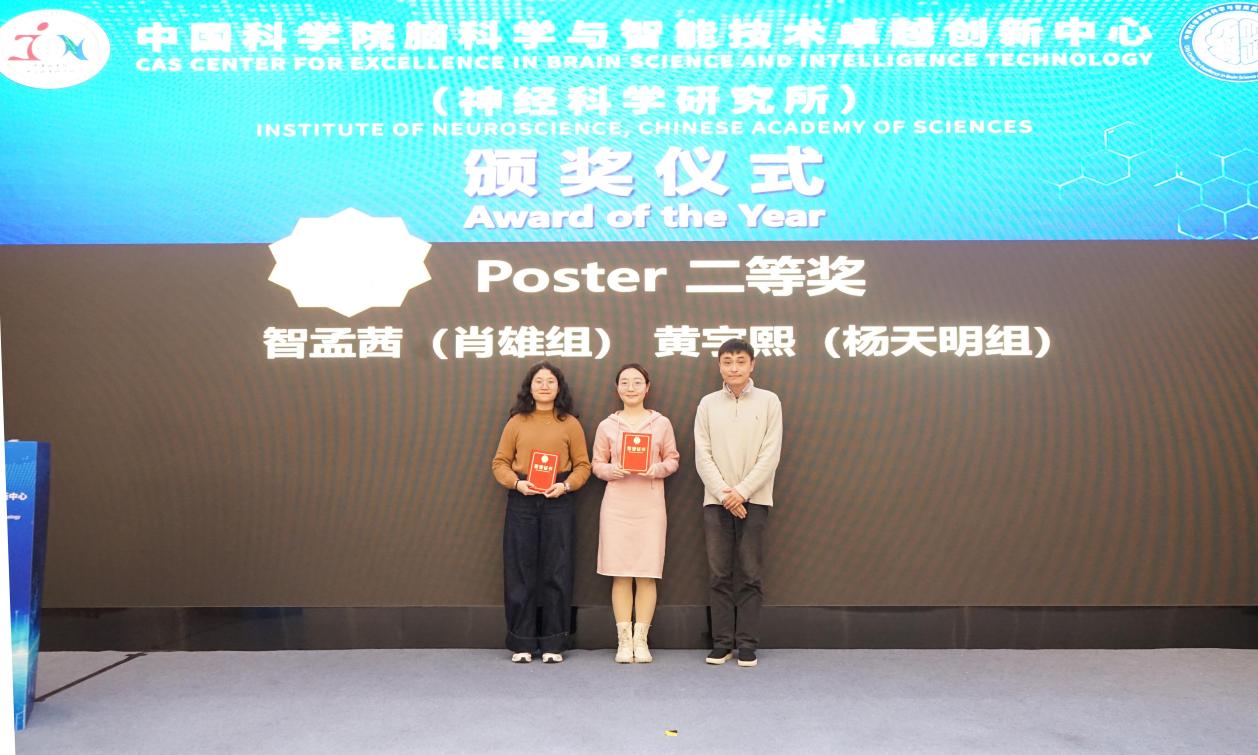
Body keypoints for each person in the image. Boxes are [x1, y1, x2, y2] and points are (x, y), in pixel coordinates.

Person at [491, 361, 591, 664]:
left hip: (558, 499)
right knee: (520, 570)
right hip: (523, 498)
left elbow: (583, 466)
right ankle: (521, 642)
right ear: (529, 387)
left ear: (559, 388)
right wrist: (517, 483)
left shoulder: (569, 423)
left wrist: (566, 486)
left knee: (557, 570)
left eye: (550, 381)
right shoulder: (516, 422)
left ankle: (553, 642)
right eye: (539, 381)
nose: (545, 386)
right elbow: (500, 463)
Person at [694, 339, 782, 668]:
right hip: (716, 502)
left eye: (740, 361)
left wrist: (741, 492)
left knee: (750, 574)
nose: (734, 367)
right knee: (718, 574)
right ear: (719, 365)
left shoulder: (769, 401)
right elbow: (702, 455)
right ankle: (721, 643)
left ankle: (746, 643)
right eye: (728, 361)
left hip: (754, 499)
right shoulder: (707, 404)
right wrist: (724, 494)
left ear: (752, 364)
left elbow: (770, 454)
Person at [591, 364, 680, 663]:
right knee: (620, 574)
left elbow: (673, 459)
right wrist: (610, 471)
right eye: (625, 382)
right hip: (616, 506)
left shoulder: (661, 423)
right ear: (617, 388)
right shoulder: (607, 425)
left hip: (650, 506)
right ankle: (623, 641)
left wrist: (655, 469)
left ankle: (641, 641)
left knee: (646, 575)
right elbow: (596, 464)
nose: (631, 388)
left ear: (647, 387)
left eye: (637, 382)